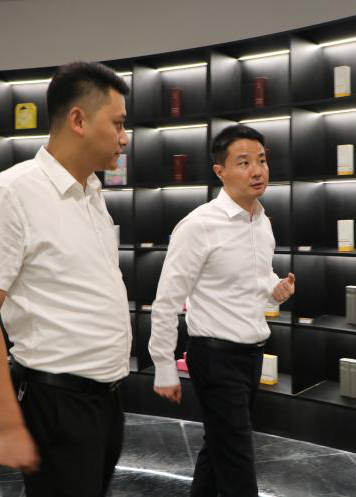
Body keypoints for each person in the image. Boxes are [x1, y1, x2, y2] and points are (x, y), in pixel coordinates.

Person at [0, 61, 131, 497]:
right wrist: (8, 425)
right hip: (57, 405)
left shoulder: (92, 193)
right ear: (78, 120)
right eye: (117, 124)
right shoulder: (12, 192)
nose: (124, 137)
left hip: (106, 401)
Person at [149, 124, 296, 496]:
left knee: (220, 446)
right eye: (244, 163)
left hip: (252, 355)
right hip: (215, 357)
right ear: (220, 171)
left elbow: (258, 278)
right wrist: (164, 365)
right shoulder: (198, 226)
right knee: (237, 460)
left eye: (261, 161)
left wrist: (275, 290)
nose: (257, 171)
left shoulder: (262, 222)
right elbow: (167, 300)